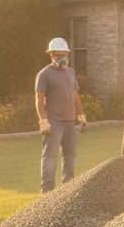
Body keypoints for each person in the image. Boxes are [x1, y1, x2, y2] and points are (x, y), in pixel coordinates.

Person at [35, 37, 87, 194]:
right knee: (50, 156)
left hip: (70, 121)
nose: (61, 58)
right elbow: (38, 100)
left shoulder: (70, 73)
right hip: (54, 122)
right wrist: (43, 121)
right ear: (51, 55)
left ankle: (68, 189)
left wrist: (82, 116)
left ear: (68, 54)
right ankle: (47, 191)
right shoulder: (44, 74)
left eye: (64, 54)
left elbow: (75, 97)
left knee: (70, 155)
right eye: (57, 55)